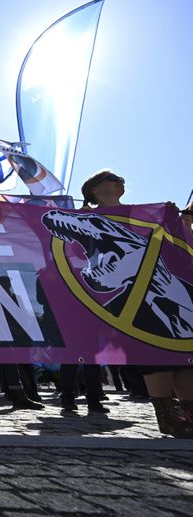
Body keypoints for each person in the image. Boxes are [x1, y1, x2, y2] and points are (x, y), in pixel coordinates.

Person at [78, 170, 193, 437]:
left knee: (185, 354)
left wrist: (176, 222)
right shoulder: (86, 218)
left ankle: (189, 414)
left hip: (166, 289)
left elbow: (172, 248)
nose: (120, 180)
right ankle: (166, 418)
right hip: (131, 298)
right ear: (95, 189)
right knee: (156, 353)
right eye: (112, 177)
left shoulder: (142, 215)